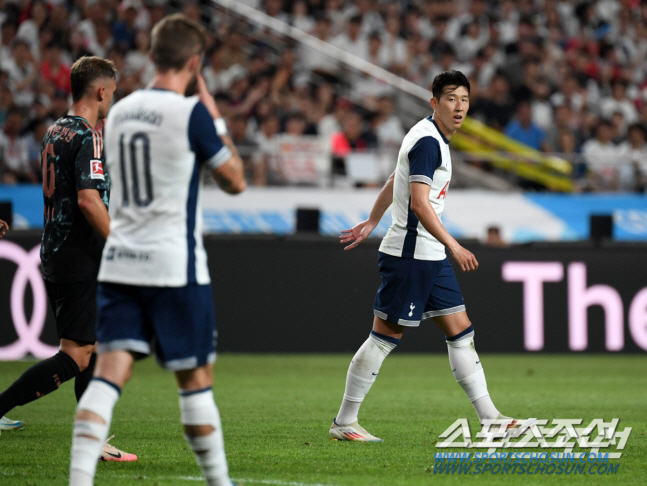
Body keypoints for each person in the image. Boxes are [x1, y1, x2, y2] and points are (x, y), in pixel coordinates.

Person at [69, 14, 246, 486]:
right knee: (194, 383)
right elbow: (235, 181)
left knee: (108, 377)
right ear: (195, 62)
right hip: (174, 267)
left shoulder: (120, 110)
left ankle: (79, 480)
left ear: (151, 56)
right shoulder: (191, 115)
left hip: (121, 262)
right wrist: (214, 113)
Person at [329, 71, 529, 442]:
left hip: (428, 254)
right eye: (451, 99)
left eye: (465, 99)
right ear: (433, 102)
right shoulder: (428, 142)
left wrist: (373, 219)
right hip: (411, 255)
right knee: (384, 338)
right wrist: (455, 245)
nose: (459, 107)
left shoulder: (426, 134)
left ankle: (490, 418)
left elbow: (394, 178)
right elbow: (419, 203)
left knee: (461, 332)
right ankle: (344, 422)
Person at [0, 56, 135, 461]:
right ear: (100, 91)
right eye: (112, 90)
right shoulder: (88, 136)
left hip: (57, 249)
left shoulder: (54, 131)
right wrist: (120, 244)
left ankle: (94, 441)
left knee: (90, 347)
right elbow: (89, 201)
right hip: (80, 254)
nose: (113, 97)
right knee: (76, 354)